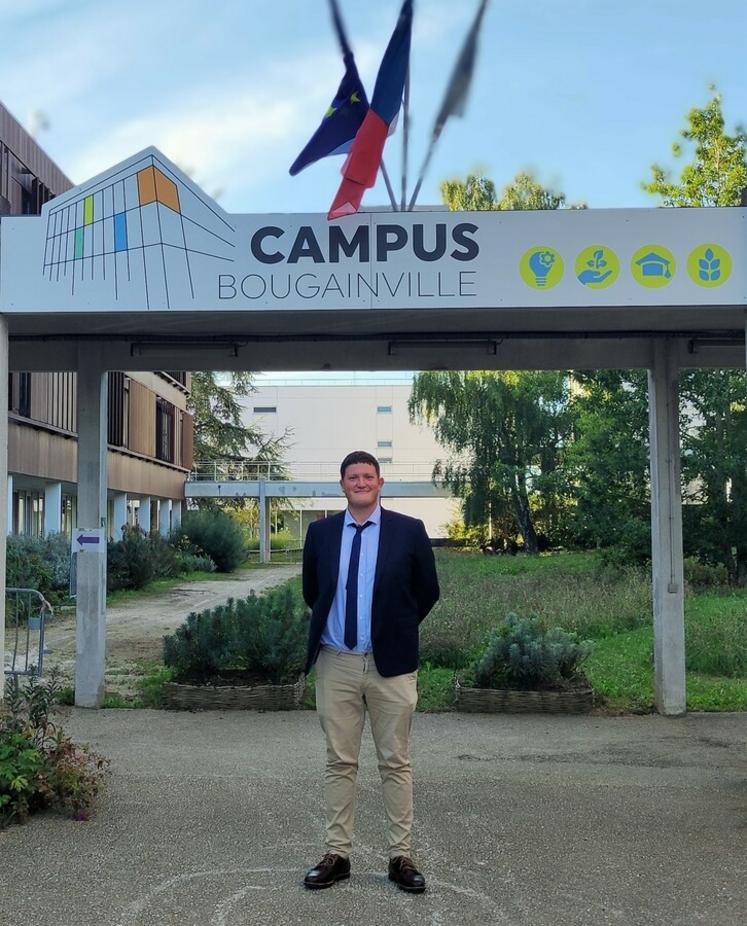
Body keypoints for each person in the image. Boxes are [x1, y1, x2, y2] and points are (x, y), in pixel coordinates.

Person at [302, 450, 439, 894]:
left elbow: (427, 591)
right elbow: (313, 592)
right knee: (339, 761)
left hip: (390, 666)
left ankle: (401, 857)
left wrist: (394, 630)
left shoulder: (408, 531)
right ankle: (337, 855)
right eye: (352, 477)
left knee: (395, 761)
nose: (360, 482)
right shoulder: (320, 533)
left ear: (380, 483)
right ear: (342, 485)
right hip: (335, 662)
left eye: (368, 476)